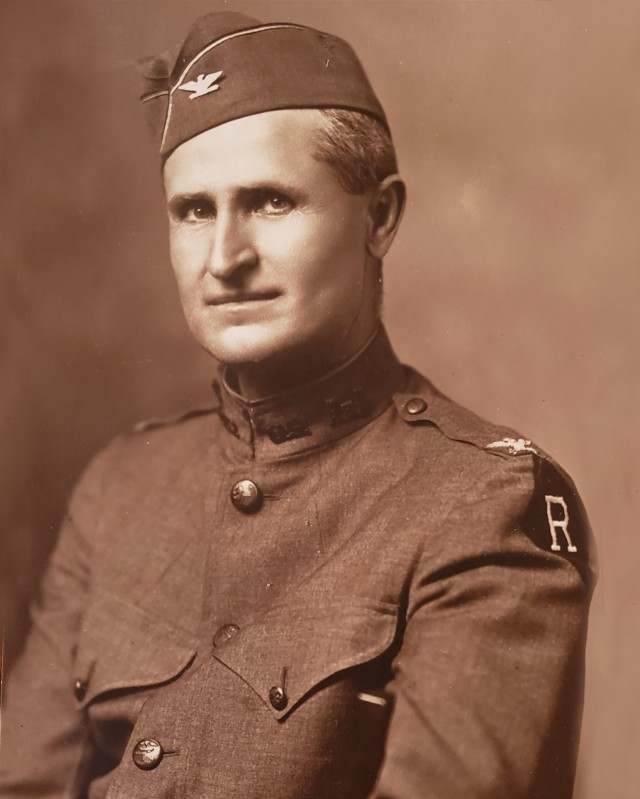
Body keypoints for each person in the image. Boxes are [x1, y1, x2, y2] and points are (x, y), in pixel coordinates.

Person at [0, 10, 596, 799]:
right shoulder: (119, 488)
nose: (225, 257)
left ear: (379, 217)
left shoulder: (484, 504)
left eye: (271, 202)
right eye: (194, 210)